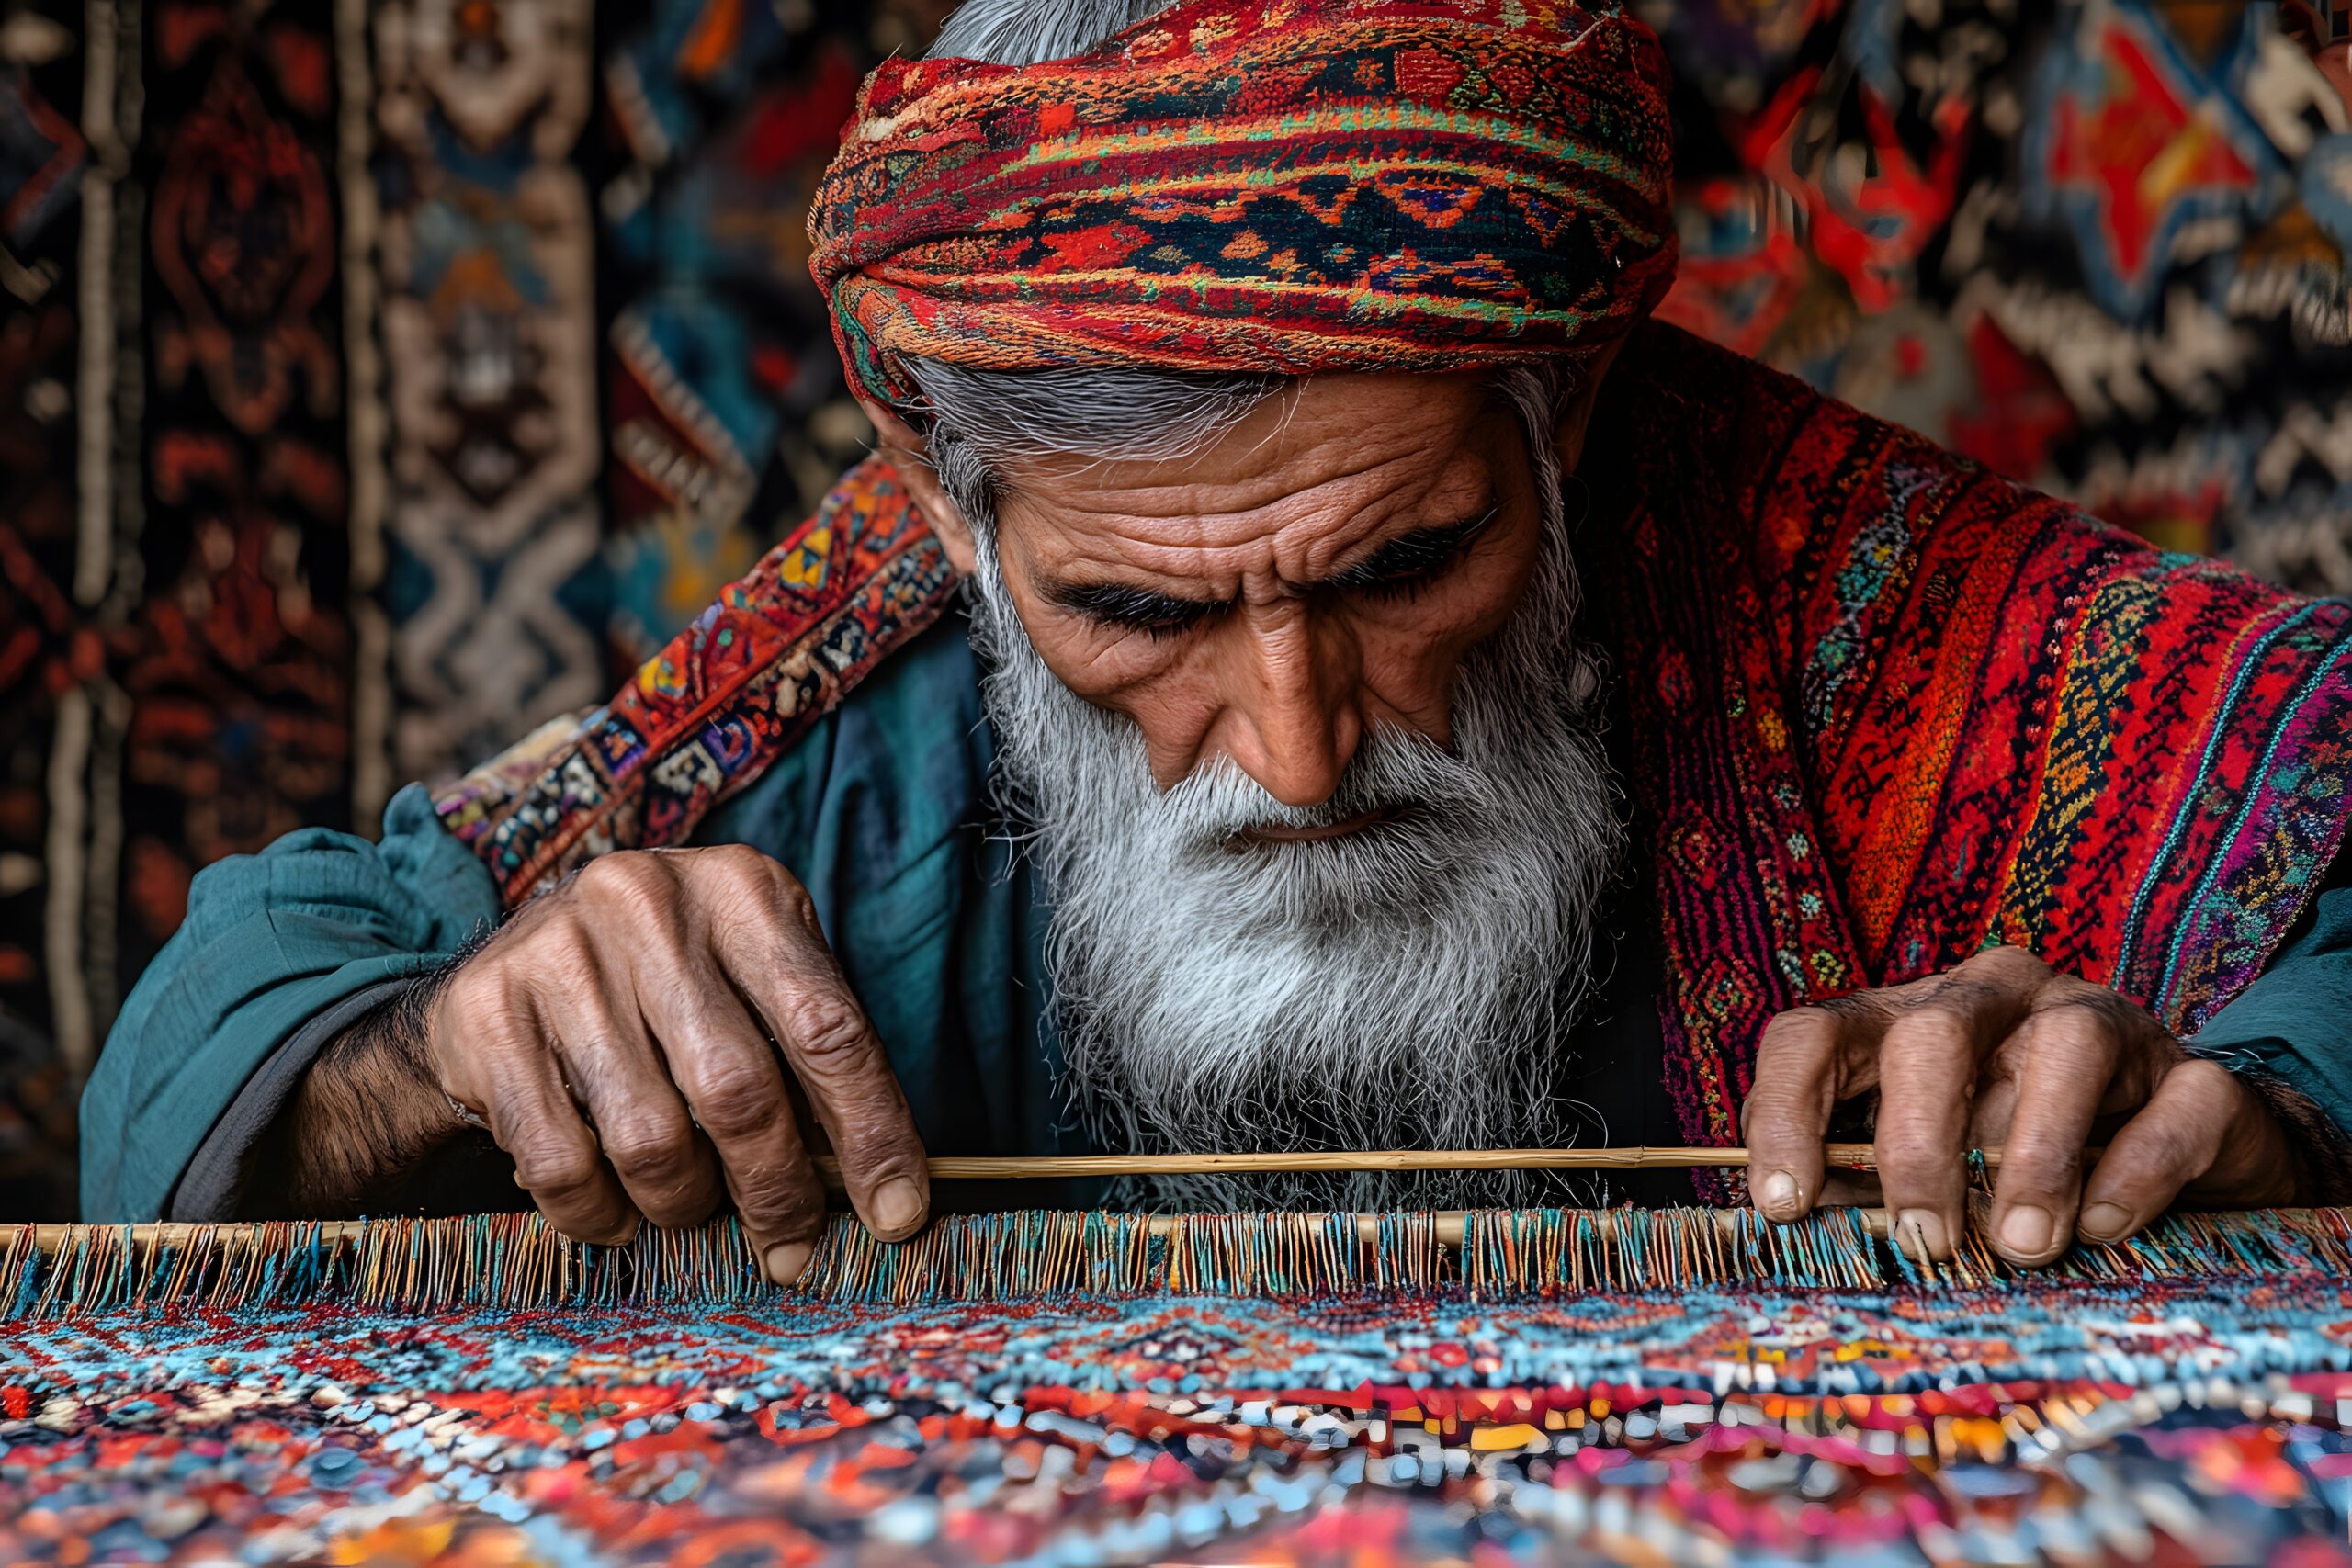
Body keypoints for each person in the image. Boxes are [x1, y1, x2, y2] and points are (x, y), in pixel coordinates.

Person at [83, 0, 2352, 1288]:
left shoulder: (1866, 625)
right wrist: (457, 1044)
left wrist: (2251, 1091)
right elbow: (195, 1068)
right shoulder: (859, 737)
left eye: (1395, 569)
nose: (1288, 740)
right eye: (1137, 611)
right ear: (967, 550)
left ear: (1554, 433)